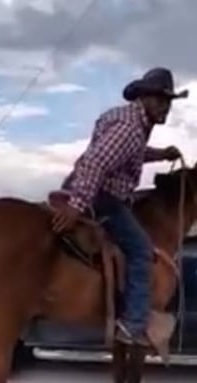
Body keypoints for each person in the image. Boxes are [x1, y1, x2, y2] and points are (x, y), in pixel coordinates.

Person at [51, 67, 188, 346]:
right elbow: (96, 163)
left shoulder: (127, 122)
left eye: (169, 102)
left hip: (97, 190)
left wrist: (160, 154)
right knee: (140, 250)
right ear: (145, 98)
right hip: (102, 197)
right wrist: (78, 204)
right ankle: (133, 324)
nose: (166, 108)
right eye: (162, 100)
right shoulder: (129, 129)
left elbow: (129, 155)